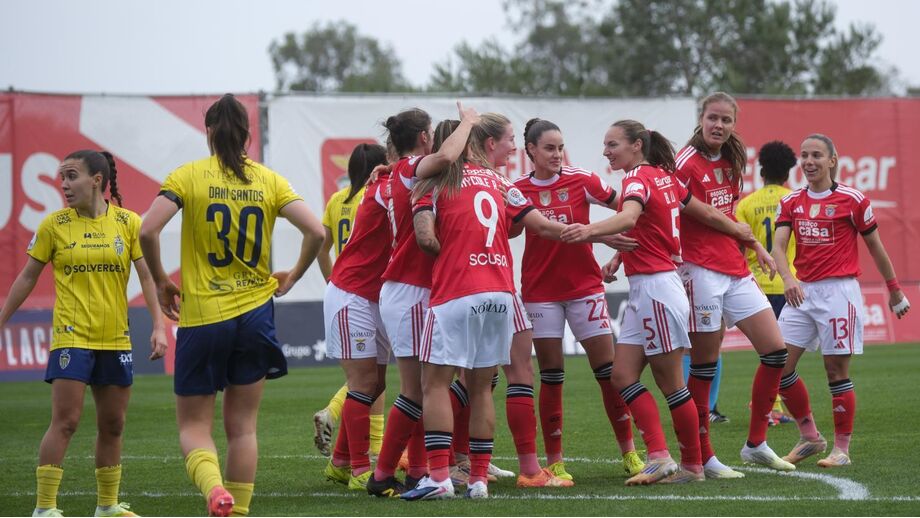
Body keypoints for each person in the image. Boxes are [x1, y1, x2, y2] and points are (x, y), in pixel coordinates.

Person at [139, 94, 324, 516]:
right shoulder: (269, 181)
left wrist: (163, 281)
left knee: (193, 426)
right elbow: (316, 232)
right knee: (243, 429)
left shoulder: (188, 176)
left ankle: (214, 491)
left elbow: (147, 231)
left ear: (208, 131)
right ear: (247, 134)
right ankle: (236, 511)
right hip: (256, 315)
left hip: (204, 315)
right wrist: (293, 275)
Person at [561, 119, 758, 485]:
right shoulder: (665, 178)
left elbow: (630, 217)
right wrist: (619, 256)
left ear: (637, 145)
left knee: (672, 385)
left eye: (612, 144)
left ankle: (692, 466)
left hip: (657, 289)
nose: (606, 152)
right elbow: (657, 224)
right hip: (648, 288)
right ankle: (660, 457)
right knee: (622, 376)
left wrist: (589, 232)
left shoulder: (637, 178)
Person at [400, 113, 570, 500]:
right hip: (500, 294)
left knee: (435, 384)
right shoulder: (500, 181)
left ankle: (439, 477)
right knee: (481, 388)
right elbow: (541, 225)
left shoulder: (433, 181)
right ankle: (478, 479)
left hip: (457, 290)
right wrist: (596, 234)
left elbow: (425, 238)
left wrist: (454, 254)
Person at [0, 150, 167, 518]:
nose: (63, 184)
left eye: (71, 176)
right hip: (71, 337)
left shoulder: (128, 223)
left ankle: (107, 506)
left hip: (116, 339)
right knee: (66, 421)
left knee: (114, 424)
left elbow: (146, 277)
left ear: (97, 180)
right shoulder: (53, 225)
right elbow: (27, 277)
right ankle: (44, 508)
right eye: (62, 177)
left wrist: (158, 326)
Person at [512, 118, 644, 480]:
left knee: (608, 373)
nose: (557, 155)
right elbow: (510, 231)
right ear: (531, 150)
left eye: (560, 147)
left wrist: (617, 254)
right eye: (549, 148)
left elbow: (629, 210)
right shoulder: (517, 189)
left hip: (585, 288)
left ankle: (630, 452)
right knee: (552, 376)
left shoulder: (582, 179)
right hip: (541, 293)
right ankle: (555, 460)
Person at [673, 92, 793, 476]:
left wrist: (755, 246)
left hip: (733, 267)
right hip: (700, 270)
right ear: (701, 118)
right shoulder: (685, 163)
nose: (719, 125)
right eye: (713, 118)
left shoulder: (732, 159)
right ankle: (703, 457)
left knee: (775, 351)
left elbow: (726, 215)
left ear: (733, 123)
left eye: (726, 120)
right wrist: (747, 236)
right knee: (704, 364)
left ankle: (756, 443)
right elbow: (703, 213)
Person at [773, 134, 910, 467]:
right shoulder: (791, 201)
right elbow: (778, 246)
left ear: (832, 160)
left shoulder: (853, 199)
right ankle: (810, 437)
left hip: (838, 293)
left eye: (817, 155)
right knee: (778, 364)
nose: (809, 161)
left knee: (835, 370)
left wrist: (894, 289)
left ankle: (841, 450)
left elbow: (875, 247)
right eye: (804, 155)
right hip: (802, 292)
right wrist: (788, 279)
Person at [312, 144, 388, 462]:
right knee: (370, 377)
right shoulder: (377, 197)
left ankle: (352, 449)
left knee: (369, 377)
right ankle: (371, 448)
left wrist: (332, 279)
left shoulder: (337, 200)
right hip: (368, 288)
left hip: (347, 286)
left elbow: (322, 246)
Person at [736, 140, 800, 425]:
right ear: (787, 173)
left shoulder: (746, 204)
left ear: (761, 172)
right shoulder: (795, 200)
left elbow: (737, 246)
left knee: (770, 352)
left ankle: (769, 404)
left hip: (757, 284)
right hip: (790, 284)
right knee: (780, 352)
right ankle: (769, 405)